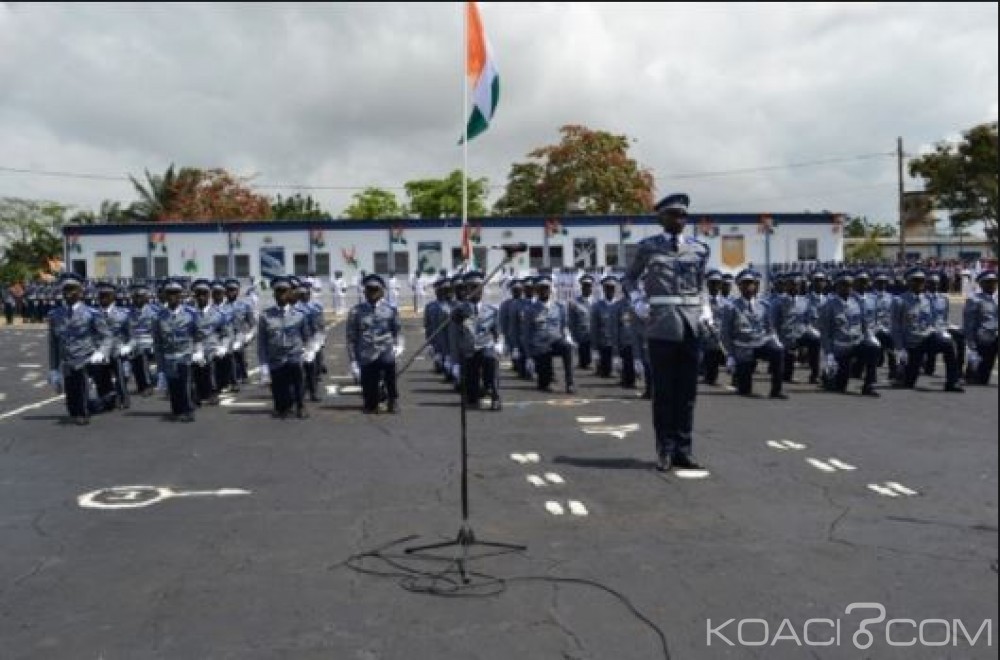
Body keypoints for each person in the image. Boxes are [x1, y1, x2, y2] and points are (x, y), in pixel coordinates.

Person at [623, 193, 711, 472]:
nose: (679, 220)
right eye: (673, 214)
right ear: (661, 218)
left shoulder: (699, 249)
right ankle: (665, 449)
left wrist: (706, 309)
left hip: (691, 325)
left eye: (683, 215)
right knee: (664, 393)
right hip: (661, 325)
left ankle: (684, 450)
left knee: (687, 393)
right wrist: (637, 301)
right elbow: (629, 278)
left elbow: (701, 284)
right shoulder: (647, 247)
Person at [47, 273, 114, 425]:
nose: (68, 293)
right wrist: (53, 369)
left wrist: (101, 352)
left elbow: (107, 336)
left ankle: (84, 412)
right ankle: (91, 406)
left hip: (85, 357)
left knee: (82, 387)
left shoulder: (91, 314)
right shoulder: (55, 315)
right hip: (67, 360)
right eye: (65, 289)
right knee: (71, 396)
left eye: (72, 289)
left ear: (81, 292)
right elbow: (53, 343)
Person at [891, 267, 963, 392]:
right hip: (912, 344)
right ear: (908, 282)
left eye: (922, 280)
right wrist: (900, 348)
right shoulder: (899, 301)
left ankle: (952, 382)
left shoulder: (928, 300)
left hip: (927, 338)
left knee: (949, 345)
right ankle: (902, 373)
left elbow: (932, 321)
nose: (920, 283)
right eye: (916, 280)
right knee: (909, 383)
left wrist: (940, 333)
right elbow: (895, 327)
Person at [720, 269, 787, 400]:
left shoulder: (764, 305)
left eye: (750, 283)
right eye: (744, 283)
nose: (748, 286)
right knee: (745, 390)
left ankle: (776, 390)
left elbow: (770, 327)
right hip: (743, 347)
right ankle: (741, 380)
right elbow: (725, 333)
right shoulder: (731, 307)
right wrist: (730, 355)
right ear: (739, 286)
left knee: (777, 351)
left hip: (761, 342)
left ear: (755, 285)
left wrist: (775, 340)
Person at [346, 273, 402, 414]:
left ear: (382, 291)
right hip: (366, 353)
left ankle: (392, 400)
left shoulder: (390, 310)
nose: (372, 292)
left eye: (375, 289)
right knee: (369, 400)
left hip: (385, 351)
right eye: (369, 289)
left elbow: (397, 331)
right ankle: (371, 400)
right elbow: (351, 338)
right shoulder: (356, 311)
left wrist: (398, 346)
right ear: (364, 291)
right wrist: (353, 361)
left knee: (390, 371)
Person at [818, 271, 880, 396]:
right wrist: (829, 354)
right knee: (839, 387)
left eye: (850, 285)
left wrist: (871, 338)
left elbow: (864, 324)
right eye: (844, 285)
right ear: (837, 286)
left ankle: (869, 385)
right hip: (840, 348)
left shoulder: (857, 302)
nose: (848, 288)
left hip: (856, 343)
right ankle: (828, 376)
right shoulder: (828, 306)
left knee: (873, 349)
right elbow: (825, 333)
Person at [258, 276, 312, 419]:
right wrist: (263, 365)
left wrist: (307, 351)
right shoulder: (265, 316)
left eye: (284, 291)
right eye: (278, 291)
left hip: (294, 355)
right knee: (279, 395)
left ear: (290, 293)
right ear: (274, 294)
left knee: (298, 380)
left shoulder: (300, 315)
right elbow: (262, 342)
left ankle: (301, 405)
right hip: (276, 358)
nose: (281, 294)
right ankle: (283, 406)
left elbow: (306, 336)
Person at [451, 270, 502, 410]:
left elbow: (497, 332)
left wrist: (499, 345)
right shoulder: (460, 310)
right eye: (472, 287)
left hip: (485, 346)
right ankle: (475, 393)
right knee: (472, 399)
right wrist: (454, 362)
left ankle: (494, 394)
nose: (476, 290)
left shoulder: (491, 310)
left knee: (490, 358)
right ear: (466, 289)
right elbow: (454, 335)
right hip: (468, 351)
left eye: (478, 287)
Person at [153, 279, 202, 422]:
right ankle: (177, 410)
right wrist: (160, 368)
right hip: (169, 357)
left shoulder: (191, 314)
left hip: (185, 355)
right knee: (173, 386)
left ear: (181, 295)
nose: (172, 296)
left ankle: (188, 410)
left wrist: (198, 351)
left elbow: (198, 334)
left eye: (175, 293)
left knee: (185, 383)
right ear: (165, 296)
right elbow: (158, 343)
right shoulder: (158, 316)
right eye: (169, 293)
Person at [521, 274, 576, 394]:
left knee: (567, 347)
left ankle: (570, 383)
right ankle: (545, 378)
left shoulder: (559, 307)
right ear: (536, 291)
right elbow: (526, 334)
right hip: (540, 346)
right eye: (541, 288)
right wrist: (528, 356)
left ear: (550, 289)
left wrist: (566, 337)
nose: (544, 291)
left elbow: (563, 326)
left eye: (546, 288)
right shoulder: (530, 310)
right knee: (543, 385)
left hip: (555, 341)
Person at [963, 269, 998, 385]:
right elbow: (969, 325)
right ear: (981, 284)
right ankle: (971, 372)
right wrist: (972, 347)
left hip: (996, 337)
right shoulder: (974, 300)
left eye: (994, 282)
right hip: (983, 341)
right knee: (980, 379)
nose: (992, 285)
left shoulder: (997, 299)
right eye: (988, 282)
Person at [126, 283, 157, 397]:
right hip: (134, 344)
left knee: (141, 354)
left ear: (146, 298)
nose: (138, 299)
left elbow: (156, 331)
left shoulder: (154, 312)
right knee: (135, 357)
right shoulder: (128, 313)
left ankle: (148, 385)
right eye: (135, 297)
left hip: (151, 344)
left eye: (141, 296)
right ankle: (141, 385)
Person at [590, 275, 619, 378]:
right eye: (607, 288)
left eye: (612, 288)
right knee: (605, 373)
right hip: (605, 343)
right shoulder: (597, 306)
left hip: (619, 344)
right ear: (603, 289)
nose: (610, 290)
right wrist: (595, 348)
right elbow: (594, 328)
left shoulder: (619, 305)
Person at [568, 274, 595, 370]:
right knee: (584, 360)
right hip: (581, 335)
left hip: (594, 335)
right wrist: (573, 337)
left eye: (589, 286)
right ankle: (583, 362)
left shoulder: (596, 302)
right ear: (581, 287)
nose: (587, 288)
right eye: (585, 286)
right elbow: (571, 322)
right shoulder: (574, 302)